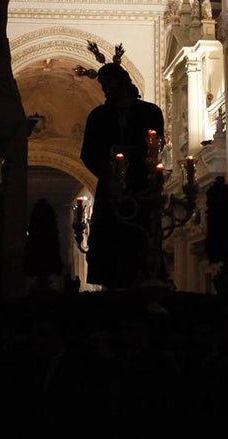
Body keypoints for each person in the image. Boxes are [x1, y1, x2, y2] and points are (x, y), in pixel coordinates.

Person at [78, 42, 165, 290]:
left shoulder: (150, 112)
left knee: (142, 237)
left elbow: (155, 145)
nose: (108, 90)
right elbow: (88, 153)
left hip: (141, 186)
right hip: (111, 187)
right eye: (104, 86)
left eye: (112, 84)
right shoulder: (98, 117)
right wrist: (109, 171)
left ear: (124, 82)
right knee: (111, 240)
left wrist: (136, 158)